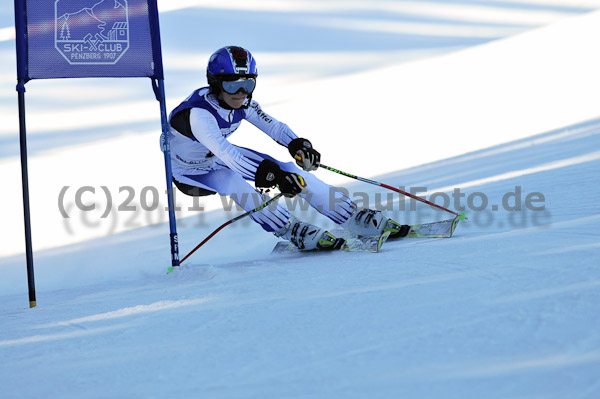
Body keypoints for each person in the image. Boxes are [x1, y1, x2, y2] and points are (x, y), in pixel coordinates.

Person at [168, 45, 406, 250]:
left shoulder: (242, 102)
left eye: (248, 85)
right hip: (190, 172)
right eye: (233, 86)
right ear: (216, 84)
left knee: (289, 168)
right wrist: (275, 177)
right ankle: (289, 228)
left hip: (216, 157)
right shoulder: (199, 115)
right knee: (233, 182)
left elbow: (274, 127)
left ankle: (350, 215)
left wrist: (297, 144)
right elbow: (227, 154)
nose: (241, 94)